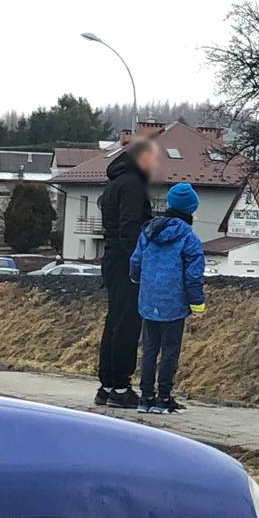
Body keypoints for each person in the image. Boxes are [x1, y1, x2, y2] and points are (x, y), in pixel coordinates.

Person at [129, 183, 206, 415]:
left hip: (148, 301)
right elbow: (193, 274)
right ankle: (164, 397)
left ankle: (145, 397)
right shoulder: (188, 238)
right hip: (174, 303)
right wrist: (197, 302)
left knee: (149, 349)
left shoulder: (149, 231)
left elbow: (135, 262)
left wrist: (136, 279)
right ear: (190, 209)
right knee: (170, 350)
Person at [96, 139, 160, 408]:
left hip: (112, 256)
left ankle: (108, 384)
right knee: (127, 323)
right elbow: (131, 226)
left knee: (114, 321)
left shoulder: (115, 183)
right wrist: (139, 262)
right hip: (126, 260)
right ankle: (121, 388)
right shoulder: (132, 184)